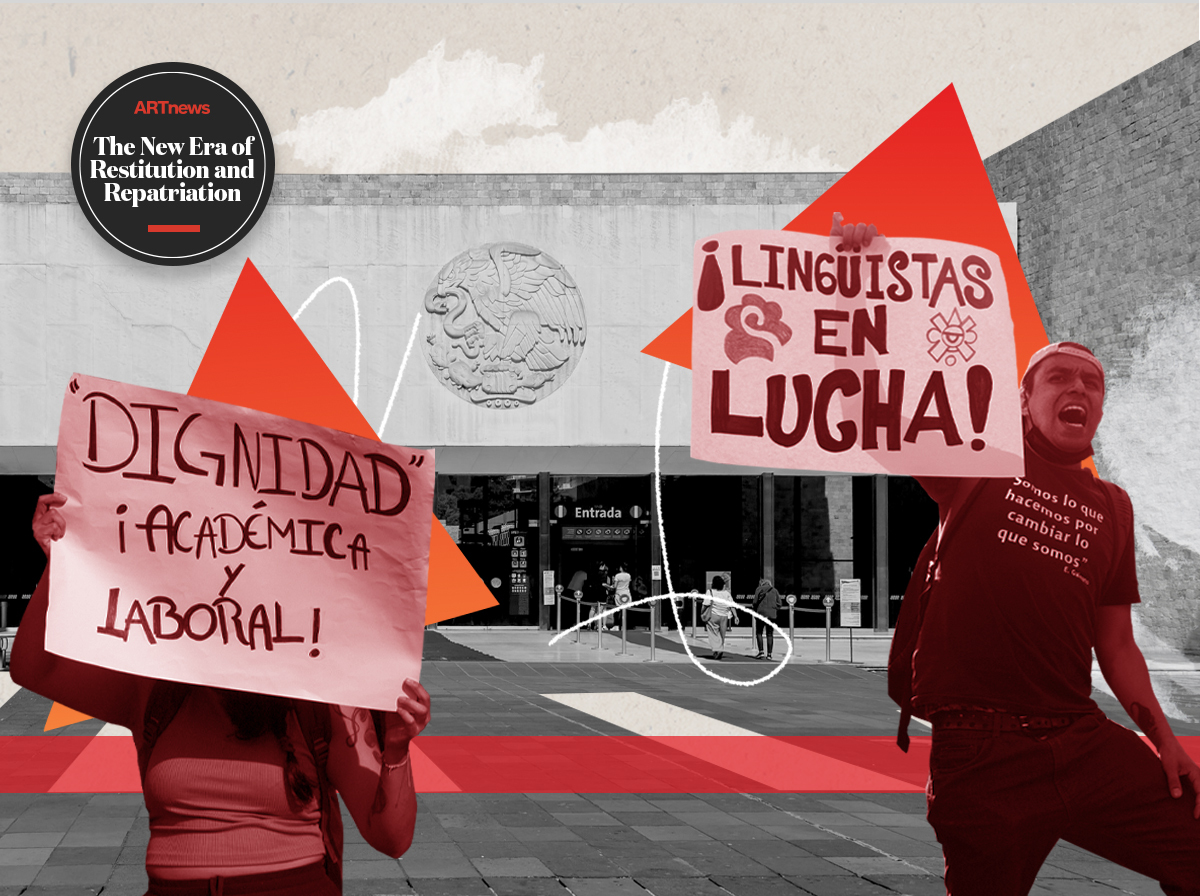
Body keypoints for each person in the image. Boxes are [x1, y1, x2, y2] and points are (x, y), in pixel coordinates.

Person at [12, 494, 431, 896]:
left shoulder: (323, 700)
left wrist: (396, 749)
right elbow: (33, 669)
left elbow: (391, 839)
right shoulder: (155, 684)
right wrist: (60, 564)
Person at [900, 341, 1200, 894]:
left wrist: (1165, 742)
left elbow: (1117, 645)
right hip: (984, 750)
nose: (1078, 387)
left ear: (1100, 407)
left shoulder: (1114, 507)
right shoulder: (979, 464)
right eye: (1058, 377)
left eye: (1091, 382)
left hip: (1081, 738)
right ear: (1023, 401)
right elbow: (878, 411)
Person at [701, 575, 737, 660]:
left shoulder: (710, 592)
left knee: (713, 632)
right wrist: (736, 616)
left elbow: (705, 604)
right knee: (722, 634)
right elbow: (732, 605)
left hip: (713, 615)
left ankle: (718, 650)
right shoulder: (726, 593)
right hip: (724, 616)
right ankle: (719, 649)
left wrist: (702, 612)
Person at [750, 578, 780, 660]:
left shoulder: (759, 589)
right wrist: (773, 608)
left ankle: (761, 652)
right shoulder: (775, 590)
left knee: (759, 632)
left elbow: (755, 602)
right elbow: (779, 603)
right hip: (772, 615)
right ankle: (769, 654)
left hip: (761, 614)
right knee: (769, 634)